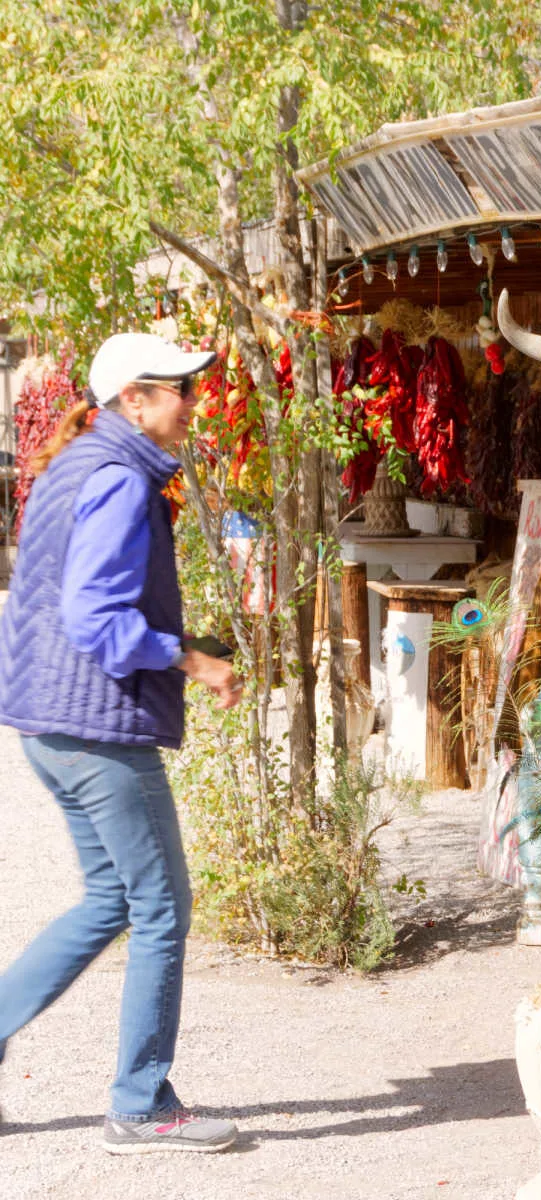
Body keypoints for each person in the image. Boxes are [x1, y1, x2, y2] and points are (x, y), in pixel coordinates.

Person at [0, 332, 244, 1153]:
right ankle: (139, 1107)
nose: (192, 401)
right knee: (164, 906)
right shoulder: (117, 476)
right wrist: (191, 658)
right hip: (97, 730)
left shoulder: (79, 464)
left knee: (111, 901)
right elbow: (96, 618)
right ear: (134, 400)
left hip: (50, 724)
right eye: (179, 388)